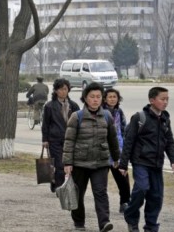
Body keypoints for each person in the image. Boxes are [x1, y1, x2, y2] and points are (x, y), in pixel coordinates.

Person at [118, 87, 174, 232]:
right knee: (142, 188)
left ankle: (151, 226)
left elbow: (169, 141)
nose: (165, 102)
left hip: (157, 164)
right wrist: (123, 164)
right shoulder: (139, 118)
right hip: (141, 162)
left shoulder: (165, 119)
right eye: (162, 99)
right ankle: (131, 217)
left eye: (167, 99)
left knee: (156, 196)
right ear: (152, 100)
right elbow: (129, 141)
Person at [63, 82, 120, 232]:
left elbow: (113, 140)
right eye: (92, 97)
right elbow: (69, 141)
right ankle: (79, 223)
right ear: (86, 99)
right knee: (78, 194)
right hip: (80, 163)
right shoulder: (77, 117)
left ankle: (104, 222)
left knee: (100, 192)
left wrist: (116, 159)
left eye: (98, 97)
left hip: (100, 163)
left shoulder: (107, 116)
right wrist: (67, 163)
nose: (96, 99)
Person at [41, 78, 80, 192]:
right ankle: (59, 187)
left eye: (65, 89)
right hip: (55, 139)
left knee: (70, 163)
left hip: (71, 140)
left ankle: (59, 184)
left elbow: (79, 123)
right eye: (60, 89)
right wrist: (45, 139)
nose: (63, 91)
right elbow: (46, 124)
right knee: (58, 164)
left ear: (68, 90)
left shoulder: (74, 105)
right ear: (56, 91)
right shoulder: (49, 106)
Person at [102, 88, 131, 213]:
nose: (112, 99)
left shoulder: (119, 112)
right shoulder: (101, 112)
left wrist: (124, 150)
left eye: (115, 97)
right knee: (101, 182)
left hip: (118, 151)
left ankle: (124, 202)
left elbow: (124, 131)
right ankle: (103, 206)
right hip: (103, 151)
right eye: (110, 97)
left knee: (123, 178)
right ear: (105, 99)